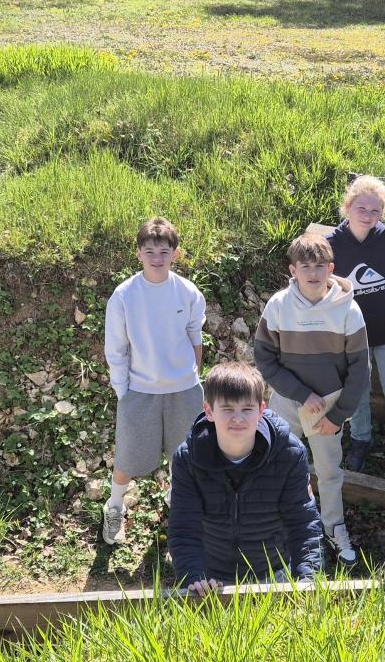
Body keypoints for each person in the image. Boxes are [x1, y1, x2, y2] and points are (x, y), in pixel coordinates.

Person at [252, 232, 370, 568]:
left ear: (331, 268)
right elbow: (265, 359)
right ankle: (276, 528)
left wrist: (340, 414)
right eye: (306, 266)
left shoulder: (349, 309)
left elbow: (360, 369)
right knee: (274, 463)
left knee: (330, 473)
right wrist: (302, 394)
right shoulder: (278, 306)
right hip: (288, 402)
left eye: (320, 266)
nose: (313, 273)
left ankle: (334, 528)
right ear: (293, 270)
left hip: (329, 408)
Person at [167, 361, 324, 591]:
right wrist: (194, 577)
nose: (238, 418)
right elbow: (184, 527)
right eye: (228, 409)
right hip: (211, 579)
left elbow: (302, 521)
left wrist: (309, 579)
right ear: (209, 411)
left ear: (261, 410)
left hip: (274, 574)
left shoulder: (289, 453)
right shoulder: (187, 458)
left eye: (247, 409)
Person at [102, 217, 207, 546]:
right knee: (127, 459)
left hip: (185, 390)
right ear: (138, 254)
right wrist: (123, 391)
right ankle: (114, 506)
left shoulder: (188, 291)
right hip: (139, 391)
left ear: (175, 253)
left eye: (164, 251)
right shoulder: (124, 295)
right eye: (150, 251)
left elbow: (195, 335)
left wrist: (193, 376)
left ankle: (179, 506)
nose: (157, 258)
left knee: (187, 457)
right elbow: (116, 349)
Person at [327, 175, 385, 475]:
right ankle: (361, 440)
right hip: (352, 336)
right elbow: (321, 286)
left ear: (383, 212)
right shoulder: (330, 244)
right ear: (348, 206)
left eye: (375, 211)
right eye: (362, 209)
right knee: (357, 394)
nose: (368, 216)